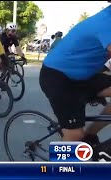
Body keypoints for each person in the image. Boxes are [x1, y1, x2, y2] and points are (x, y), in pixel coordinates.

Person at [39, 4, 111, 161]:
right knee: (75, 134)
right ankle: (59, 170)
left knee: (84, 136)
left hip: (84, 76)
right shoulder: (107, 22)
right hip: (58, 77)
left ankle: (90, 135)